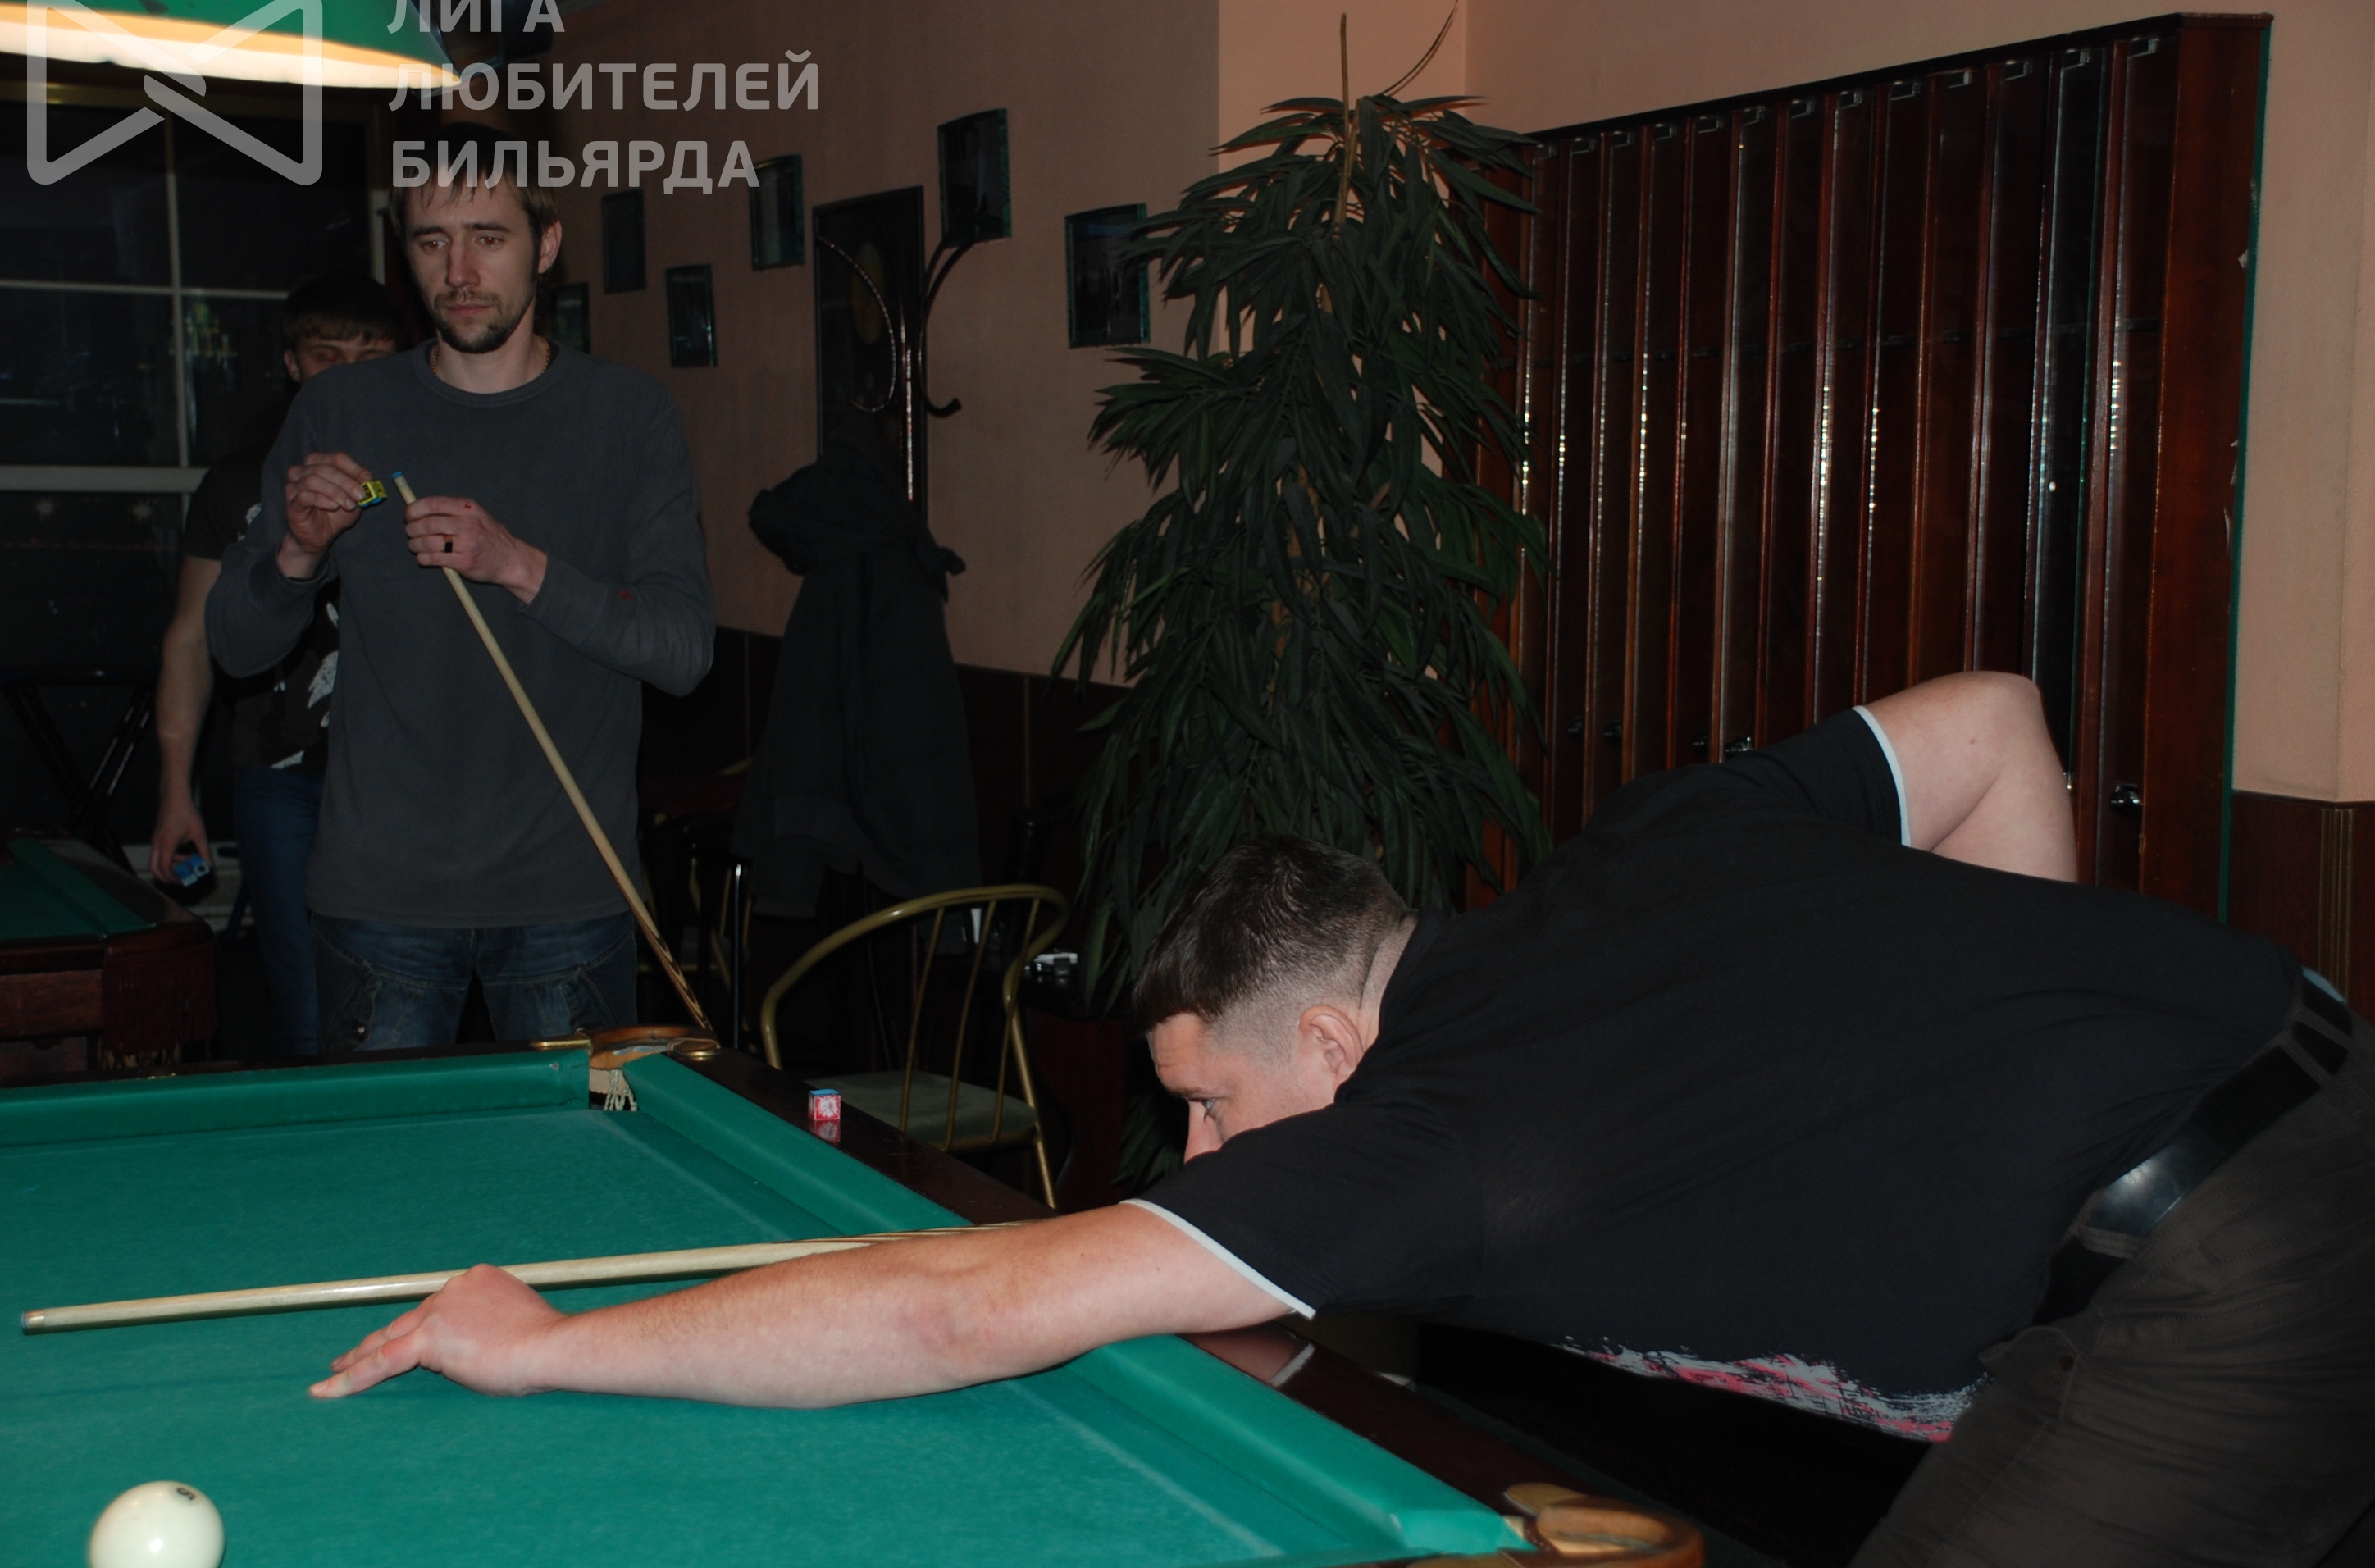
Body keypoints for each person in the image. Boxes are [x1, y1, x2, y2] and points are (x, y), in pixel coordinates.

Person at [308, 672, 2374, 1566]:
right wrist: (1991, 1102)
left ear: (1323, 1031)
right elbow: (1992, 719)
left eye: (1210, 1106)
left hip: (2225, 1259)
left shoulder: (1419, 1133)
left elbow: (957, 1303)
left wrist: (551, 1342)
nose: (1211, 1162)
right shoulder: (1652, 838)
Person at [205, 122, 713, 1049]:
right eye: (432, 241)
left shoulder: (628, 415)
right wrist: (297, 557)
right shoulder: (342, 408)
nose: (460, 271)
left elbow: (682, 651)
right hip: (380, 898)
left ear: (546, 246)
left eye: (489, 237)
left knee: (576, 1151)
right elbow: (234, 647)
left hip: (570, 892)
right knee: (387, 1149)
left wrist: (517, 564)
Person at [151, 275, 404, 1056]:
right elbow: (190, 639)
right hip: (280, 771)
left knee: (401, 1008)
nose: (348, 375)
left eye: (370, 358)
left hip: (408, 779)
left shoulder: (424, 476)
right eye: (327, 355)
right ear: (293, 364)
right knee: (304, 1007)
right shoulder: (240, 481)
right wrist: (175, 793)